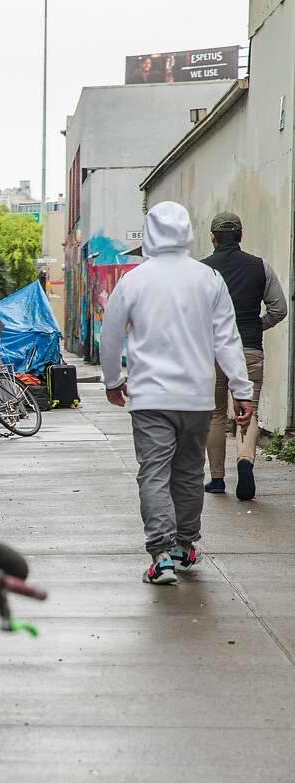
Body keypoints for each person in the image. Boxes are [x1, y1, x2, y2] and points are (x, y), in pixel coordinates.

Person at [100, 202, 253, 585]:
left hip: (150, 398)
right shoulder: (208, 278)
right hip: (196, 397)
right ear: (187, 232)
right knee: (188, 473)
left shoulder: (134, 280)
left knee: (153, 472)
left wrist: (113, 381)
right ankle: (185, 545)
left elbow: (111, 334)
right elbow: (227, 338)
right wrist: (241, 389)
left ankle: (161, 556)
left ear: (150, 233)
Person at [201, 212, 288, 501]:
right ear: (240, 236)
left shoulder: (201, 271)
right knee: (248, 409)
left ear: (212, 238)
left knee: (215, 413)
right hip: (249, 349)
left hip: (212, 353)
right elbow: (279, 309)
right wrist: (255, 324)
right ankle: (245, 462)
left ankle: (216, 479)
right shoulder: (260, 267)